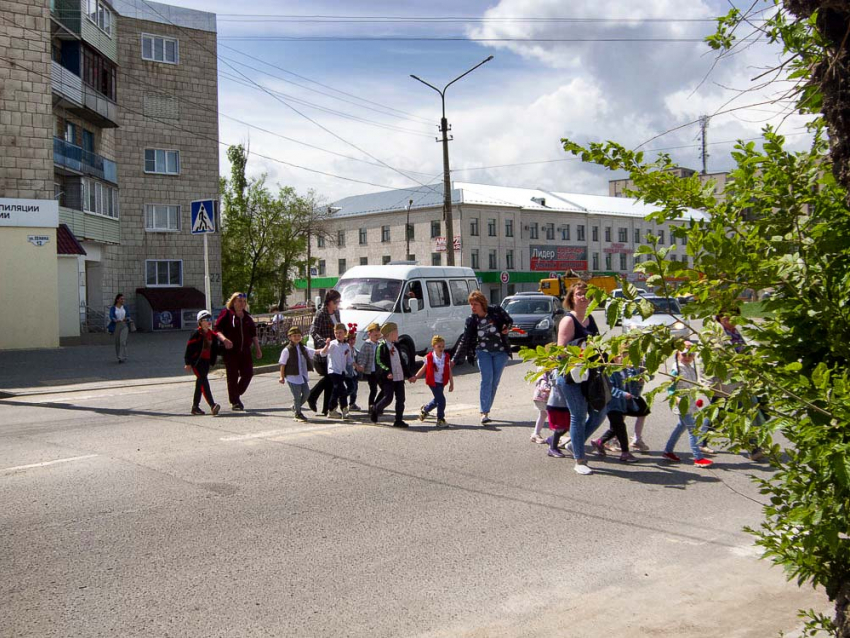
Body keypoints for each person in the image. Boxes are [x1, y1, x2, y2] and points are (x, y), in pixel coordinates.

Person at [554, 282, 607, 475]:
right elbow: (560, 351)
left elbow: (597, 346)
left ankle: (574, 443)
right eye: (579, 294)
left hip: (589, 376)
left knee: (600, 413)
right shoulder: (569, 320)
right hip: (570, 376)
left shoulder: (590, 318)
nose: (583, 297)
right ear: (571, 298)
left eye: (586, 294)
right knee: (578, 415)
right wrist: (580, 352)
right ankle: (580, 459)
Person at [451, 290, 513, 425]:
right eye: (471, 304)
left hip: (501, 352)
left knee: (494, 382)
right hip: (482, 351)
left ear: (482, 304)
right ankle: (484, 412)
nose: (473, 307)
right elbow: (465, 340)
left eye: (475, 304)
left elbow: (509, 321)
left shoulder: (496, 311)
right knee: (486, 379)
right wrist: (454, 360)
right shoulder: (472, 320)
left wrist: (505, 327)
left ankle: (487, 408)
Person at [662, 344, 714, 467]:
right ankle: (698, 458)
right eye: (684, 354)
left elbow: (693, 385)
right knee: (693, 430)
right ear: (677, 355)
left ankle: (668, 451)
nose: (687, 357)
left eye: (690, 354)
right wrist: (676, 397)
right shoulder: (677, 369)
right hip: (682, 404)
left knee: (681, 427)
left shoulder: (690, 367)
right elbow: (670, 387)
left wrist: (696, 399)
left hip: (690, 402)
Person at [215, 292, 262, 411]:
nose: (242, 304)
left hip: (245, 350)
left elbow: (253, 334)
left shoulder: (247, 317)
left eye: (244, 302)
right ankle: (235, 402)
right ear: (233, 302)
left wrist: (258, 349)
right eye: (239, 301)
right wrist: (224, 340)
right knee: (232, 376)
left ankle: (236, 394)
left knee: (248, 373)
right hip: (231, 351)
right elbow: (217, 330)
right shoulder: (226, 314)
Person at [183, 310, 232, 416]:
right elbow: (189, 348)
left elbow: (216, 349)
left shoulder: (212, 335)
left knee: (200, 383)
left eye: (210, 319)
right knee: (203, 381)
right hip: (197, 362)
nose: (209, 321)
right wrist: (188, 363)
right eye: (206, 319)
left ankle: (195, 407)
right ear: (200, 321)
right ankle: (212, 405)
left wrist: (226, 348)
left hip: (206, 361)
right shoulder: (196, 333)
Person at [591, 358, 639, 463]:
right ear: (614, 358)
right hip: (611, 403)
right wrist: (623, 394)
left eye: (627, 356)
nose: (624, 359)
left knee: (615, 428)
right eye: (621, 356)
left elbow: (629, 384)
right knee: (620, 427)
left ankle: (599, 441)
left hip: (620, 404)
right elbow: (609, 388)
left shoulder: (624, 369)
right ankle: (625, 452)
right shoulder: (610, 370)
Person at [370, 322, 414, 428]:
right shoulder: (382, 346)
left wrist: (409, 375)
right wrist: (387, 372)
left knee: (401, 398)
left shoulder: (397, 345)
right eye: (396, 332)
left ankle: (398, 420)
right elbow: (379, 361)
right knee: (388, 397)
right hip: (388, 378)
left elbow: (402, 362)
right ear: (390, 334)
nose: (397, 334)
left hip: (398, 376)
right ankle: (375, 409)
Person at [307, 290, 342, 416]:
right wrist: (324, 343)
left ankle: (325, 407)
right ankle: (312, 396)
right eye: (336, 301)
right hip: (325, 351)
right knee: (330, 377)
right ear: (329, 302)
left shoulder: (336, 312)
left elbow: (338, 328)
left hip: (335, 351)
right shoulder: (321, 313)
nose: (337, 304)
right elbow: (313, 332)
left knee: (331, 379)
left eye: (338, 301)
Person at [413, 335, 454, 427]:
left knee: (437, 400)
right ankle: (440, 419)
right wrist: (415, 377)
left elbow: (449, 370)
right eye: (439, 346)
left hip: (441, 382)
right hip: (433, 382)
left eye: (443, 346)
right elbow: (423, 369)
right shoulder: (430, 357)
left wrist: (451, 382)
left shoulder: (446, 357)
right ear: (434, 346)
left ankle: (425, 410)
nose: (441, 348)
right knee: (441, 400)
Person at [278, 325, 315, 422]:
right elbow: (282, 364)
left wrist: (326, 348)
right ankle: (298, 414)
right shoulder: (287, 350)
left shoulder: (303, 348)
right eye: (294, 336)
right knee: (297, 396)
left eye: (298, 335)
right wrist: (281, 377)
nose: (297, 337)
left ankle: (295, 407)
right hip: (292, 377)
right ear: (290, 337)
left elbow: (315, 352)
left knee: (307, 393)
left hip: (302, 376)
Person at [322, 323, 352, 419]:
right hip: (333, 371)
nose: (338, 335)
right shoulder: (332, 344)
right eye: (336, 333)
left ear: (345, 333)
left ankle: (334, 409)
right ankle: (340, 409)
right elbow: (323, 354)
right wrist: (326, 346)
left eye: (340, 332)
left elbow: (349, 359)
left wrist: (357, 366)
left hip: (341, 371)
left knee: (338, 390)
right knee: (340, 389)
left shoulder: (347, 346)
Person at [355, 322, 381, 412]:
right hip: (371, 371)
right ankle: (371, 407)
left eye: (378, 335)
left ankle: (378, 405)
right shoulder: (367, 345)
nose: (377, 337)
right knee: (373, 389)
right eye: (375, 335)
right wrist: (361, 365)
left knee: (385, 389)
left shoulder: (379, 344)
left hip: (379, 371)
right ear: (369, 334)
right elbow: (362, 356)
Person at [545, 372, 572, 458]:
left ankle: (552, 439)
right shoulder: (558, 371)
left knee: (567, 426)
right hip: (557, 404)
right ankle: (553, 448)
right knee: (560, 427)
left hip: (564, 404)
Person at [530, 368, 552, 444]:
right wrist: (546, 387)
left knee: (543, 415)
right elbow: (542, 381)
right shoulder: (543, 370)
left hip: (542, 398)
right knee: (552, 415)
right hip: (543, 398)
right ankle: (556, 436)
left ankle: (535, 433)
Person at [108, 293, 131, 363]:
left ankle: (123, 356)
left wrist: (127, 318)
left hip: (124, 325)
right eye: (121, 299)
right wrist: (114, 319)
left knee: (123, 341)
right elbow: (111, 316)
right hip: (116, 325)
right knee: (117, 342)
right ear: (117, 300)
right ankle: (119, 356)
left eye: (123, 299)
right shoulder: (113, 308)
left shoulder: (125, 307)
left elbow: (128, 316)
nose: (123, 300)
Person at [345, 329, 361, 411]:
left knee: (355, 388)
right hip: (347, 372)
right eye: (350, 339)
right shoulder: (346, 349)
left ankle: (352, 403)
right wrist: (357, 365)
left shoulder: (355, 350)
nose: (351, 341)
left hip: (354, 372)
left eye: (353, 339)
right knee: (351, 387)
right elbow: (350, 360)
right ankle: (342, 398)